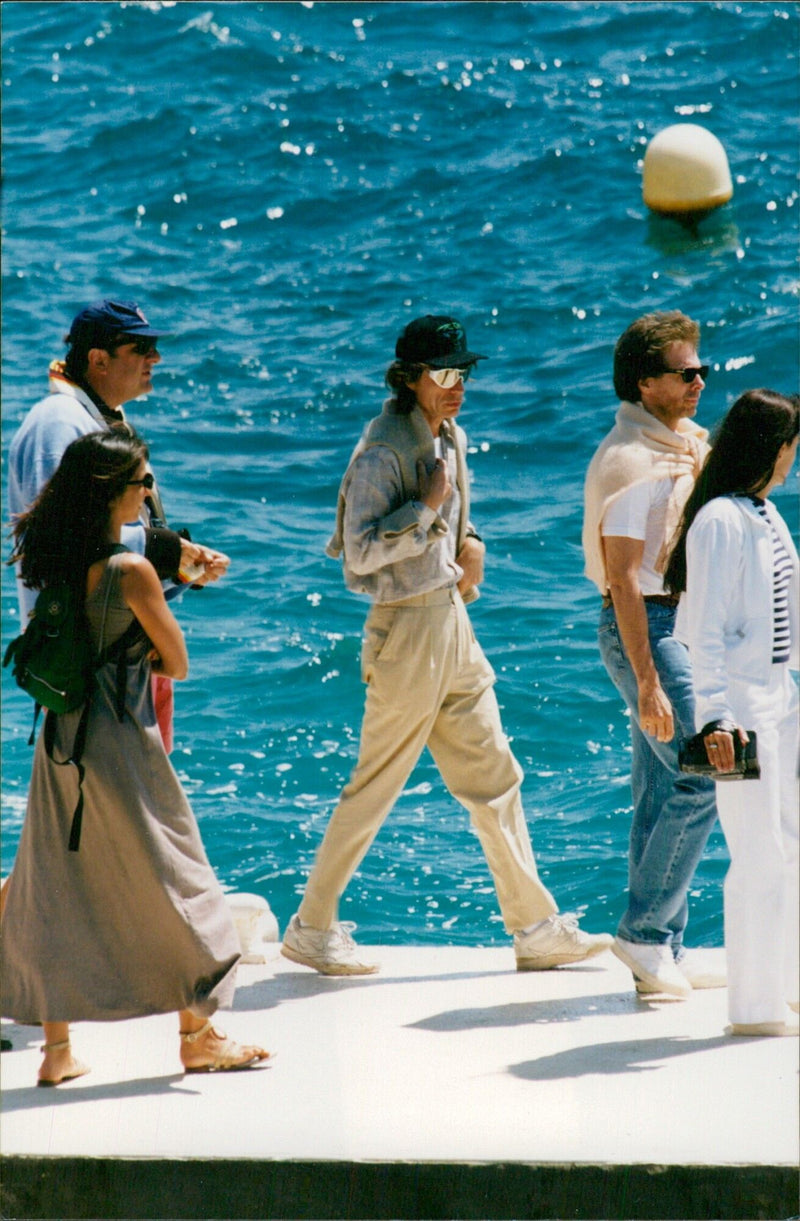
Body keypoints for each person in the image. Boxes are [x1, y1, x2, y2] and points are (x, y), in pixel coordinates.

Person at [281, 314, 612, 975]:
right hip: (405, 629)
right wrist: (428, 513)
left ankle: (535, 927)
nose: (458, 385)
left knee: (497, 777)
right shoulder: (382, 448)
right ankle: (312, 927)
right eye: (445, 374)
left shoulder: (449, 434)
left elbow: (457, 519)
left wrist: (472, 541)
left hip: (450, 623)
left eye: (464, 373)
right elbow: (358, 553)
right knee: (375, 786)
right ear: (410, 378)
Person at [1, 432, 269, 1085]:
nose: (148, 491)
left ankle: (57, 1053)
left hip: (61, 742)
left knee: (57, 888)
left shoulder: (54, 556)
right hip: (122, 743)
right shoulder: (130, 570)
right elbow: (175, 660)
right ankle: (197, 1036)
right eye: (140, 481)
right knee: (181, 882)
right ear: (110, 491)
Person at [7, 298, 230, 751]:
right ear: (97, 360)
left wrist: (180, 566)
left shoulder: (98, 419)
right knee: (127, 807)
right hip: (89, 658)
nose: (156, 358)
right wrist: (166, 551)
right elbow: (57, 536)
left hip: (124, 651)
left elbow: (110, 534)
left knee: (132, 803)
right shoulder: (58, 424)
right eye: (141, 347)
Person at [582, 310, 720, 998]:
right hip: (646, 626)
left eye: (701, 369)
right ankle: (644, 930)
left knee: (662, 784)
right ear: (646, 383)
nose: (700, 380)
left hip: (674, 622)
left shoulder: (678, 445)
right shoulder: (632, 463)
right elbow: (623, 582)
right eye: (684, 372)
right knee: (705, 770)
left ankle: (661, 943)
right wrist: (645, 677)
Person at [665, 389, 799, 1036]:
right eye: (792, 445)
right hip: (742, 705)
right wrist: (713, 719)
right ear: (773, 448)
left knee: (794, 844)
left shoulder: (764, 514)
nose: (794, 458)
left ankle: (788, 985)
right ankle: (755, 1009)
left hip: (781, 697)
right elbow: (705, 632)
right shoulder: (719, 519)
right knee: (759, 853)